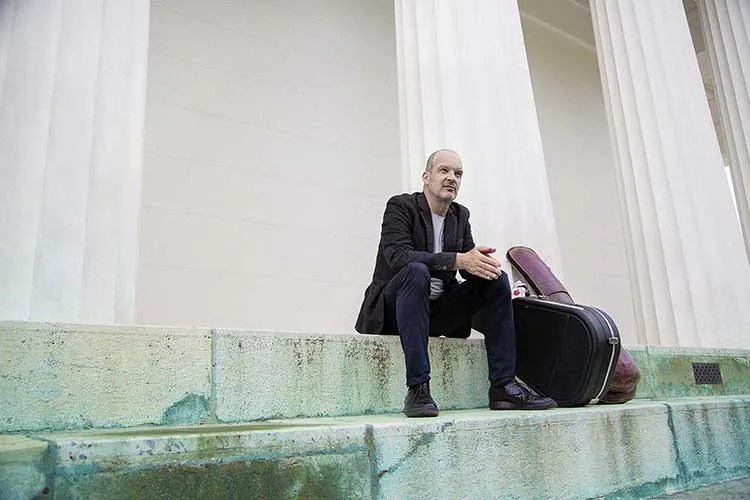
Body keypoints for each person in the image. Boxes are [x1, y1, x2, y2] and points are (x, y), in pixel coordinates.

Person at [355, 149, 556, 417]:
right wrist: (458, 260)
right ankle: (418, 389)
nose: (452, 178)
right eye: (444, 171)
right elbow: (398, 257)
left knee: (497, 281)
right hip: (395, 312)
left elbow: (466, 261)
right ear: (426, 177)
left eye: (458, 173)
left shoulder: (460, 216)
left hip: (437, 314)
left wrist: (479, 265)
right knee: (415, 271)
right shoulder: (401, 207)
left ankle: (503, 386)